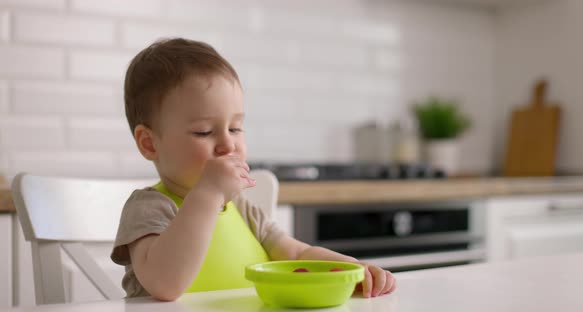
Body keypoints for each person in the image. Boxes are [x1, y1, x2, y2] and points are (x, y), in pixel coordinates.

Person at [110, 37, 396, 301]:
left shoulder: (242, 210)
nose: (227, 144)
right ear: (149, 144)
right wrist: (208, 193)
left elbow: (297, 253)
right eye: (204, 131)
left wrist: (353, 270)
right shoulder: (149, 209)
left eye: (235, 128)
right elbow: (165, 285)